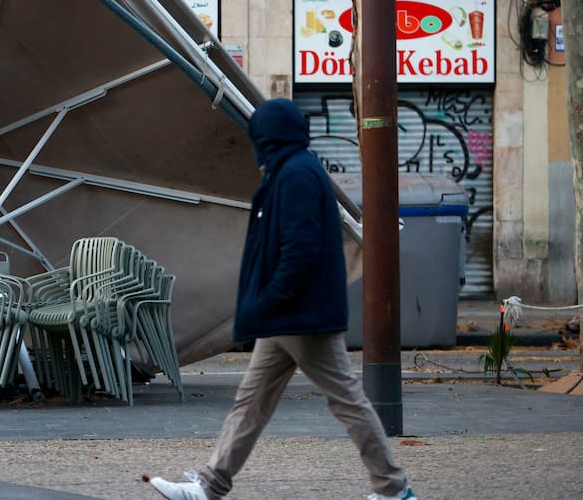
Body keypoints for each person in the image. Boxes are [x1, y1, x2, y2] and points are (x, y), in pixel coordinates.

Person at [150, 98, 416, 500]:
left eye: (256, 135)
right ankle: (209, 486)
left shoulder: (294, 175)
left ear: (268, 136)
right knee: (252, 403)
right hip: (291, 315)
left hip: (300, 315)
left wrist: (270, 299)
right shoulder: (291, 169)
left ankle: (394, 489)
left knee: (346, 401)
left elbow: (300, 250)